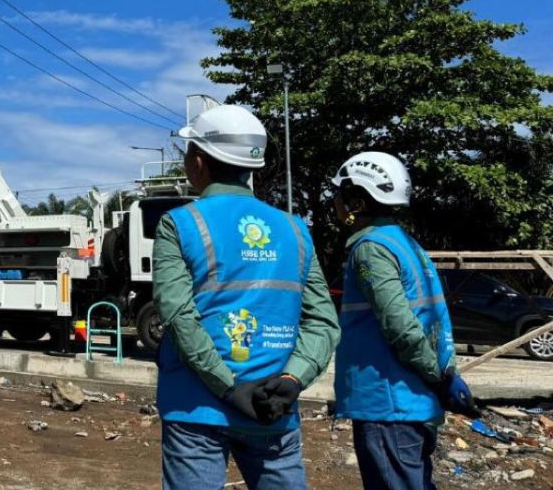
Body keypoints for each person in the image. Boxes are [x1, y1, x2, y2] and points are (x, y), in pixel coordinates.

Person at [153, 104, 339, 490]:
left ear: (199, 161)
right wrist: (292, 381)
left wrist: (229, 386)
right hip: (274, 408)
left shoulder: (180, 223)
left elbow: (178, 318)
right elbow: (322, 321)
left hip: (197, 410)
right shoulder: (295, 230)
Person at [331, 152, 479, 490]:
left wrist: (440, 378)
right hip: (414, 399)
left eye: (340, 193)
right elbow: (432, 320)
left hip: (388, 402)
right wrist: (444, 375)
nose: (336, 202)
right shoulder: (407, 245)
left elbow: (400, 324)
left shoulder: (371, 248)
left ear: (357, 199)